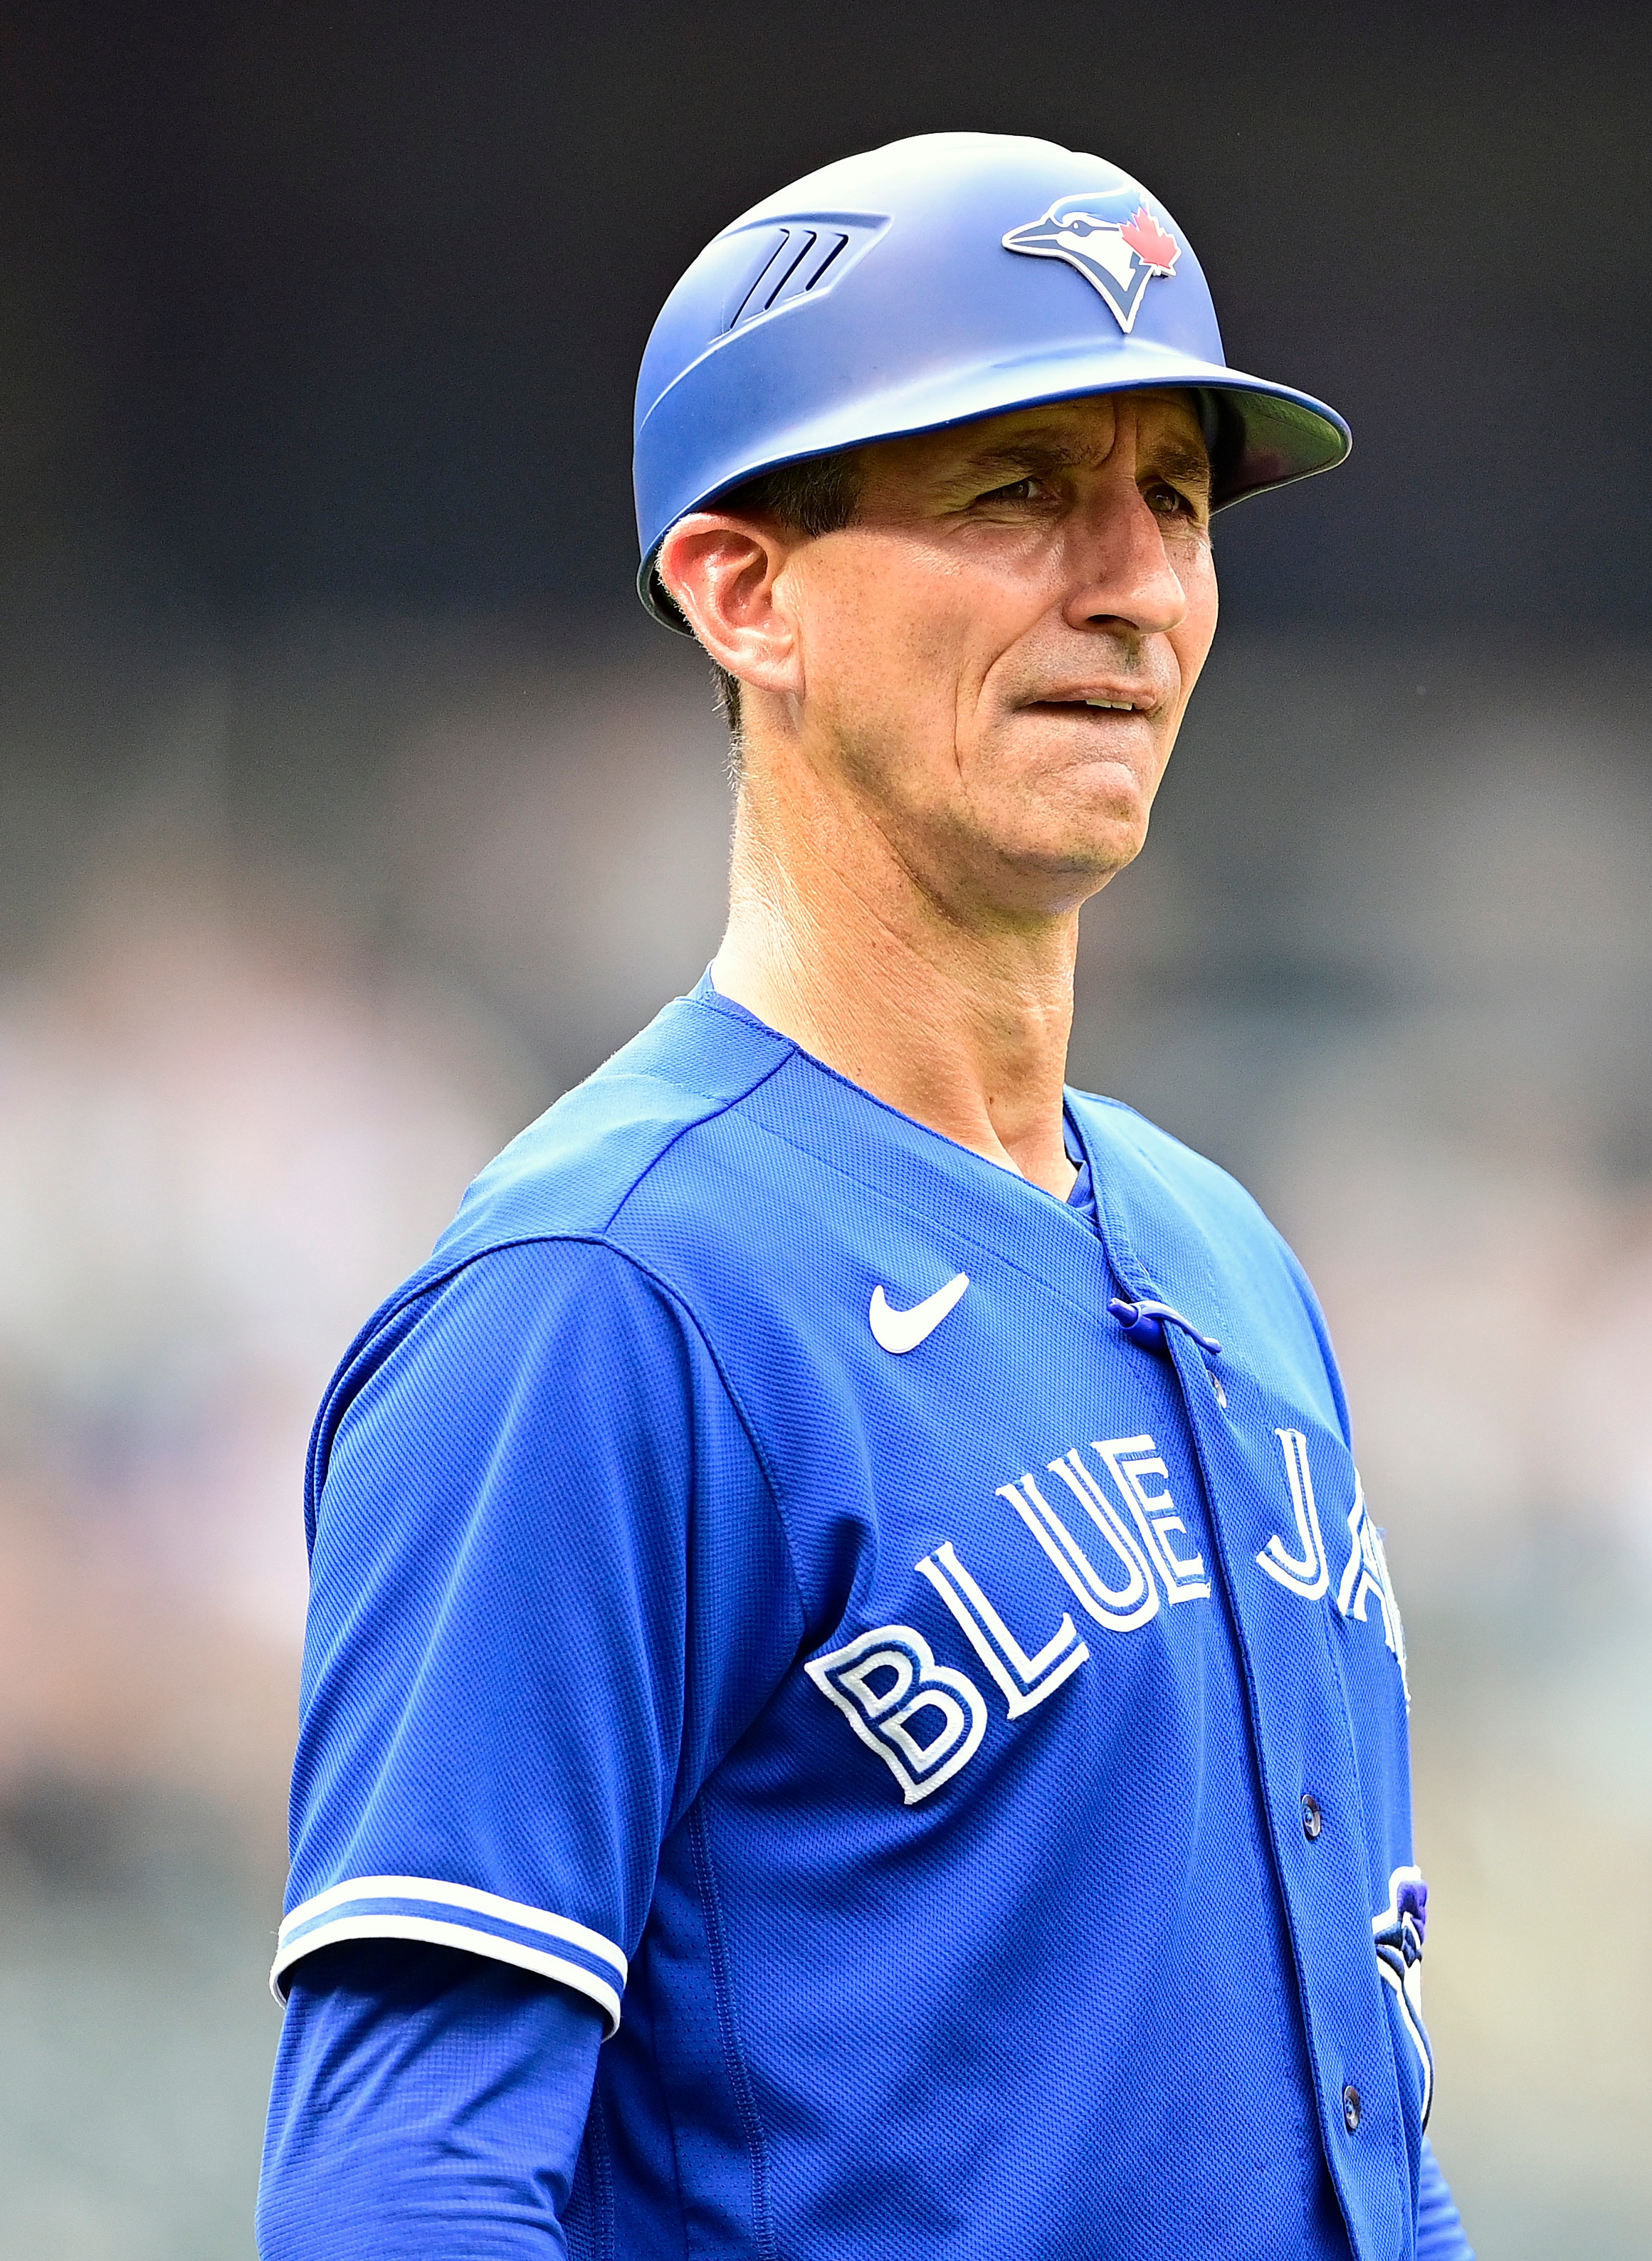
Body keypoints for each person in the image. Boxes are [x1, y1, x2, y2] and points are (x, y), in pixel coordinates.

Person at [256, 132, 1468, 2259]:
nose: (1130, 582)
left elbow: (1371, 2147)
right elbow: (405, 2191)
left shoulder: (1229, 1259)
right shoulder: (602, 1302)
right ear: (746, 593)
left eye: (1172, 501)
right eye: (1015, 493)